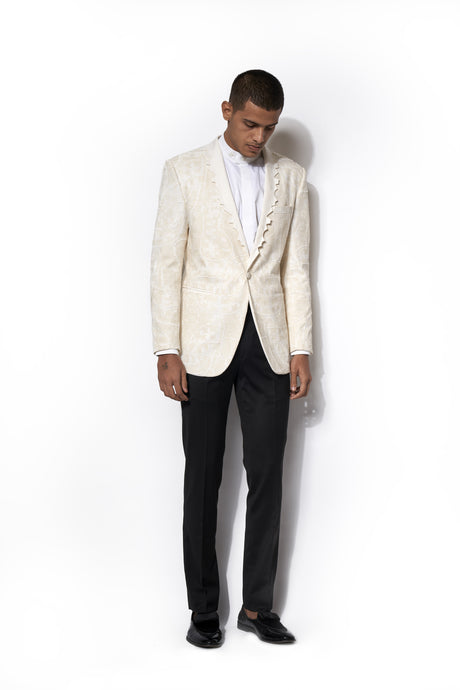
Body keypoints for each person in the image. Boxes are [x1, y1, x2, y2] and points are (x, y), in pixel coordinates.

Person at [150, 69, 312, 647]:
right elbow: (166, 263)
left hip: (269, 342)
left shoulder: (293, 178)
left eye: (268, 128)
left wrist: (301, 347)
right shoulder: (184, 170)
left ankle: (257, 608)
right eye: (249, 124)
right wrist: (167, 349)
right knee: (203, 477)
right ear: (227, 110)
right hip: (201, 344)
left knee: (268, 475)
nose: (258, 137)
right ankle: (203, 611)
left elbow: (296, 269)